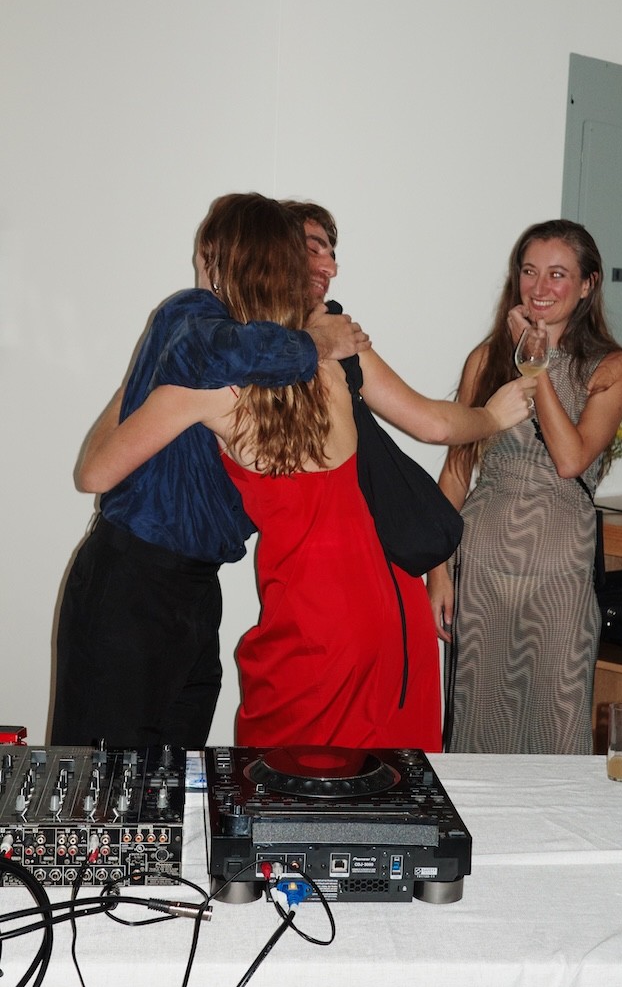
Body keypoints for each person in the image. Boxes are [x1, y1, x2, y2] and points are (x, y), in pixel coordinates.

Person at [81, 192, 537, 752]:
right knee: (385, 782)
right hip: (383, 603)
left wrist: (144, 373)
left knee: (274, 783)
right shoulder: (337, 361)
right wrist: (491, 416)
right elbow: (433, 423)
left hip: (307, 615)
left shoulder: (201, 386)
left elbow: (94, 473)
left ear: (219, 261)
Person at [50, 204, 369, 750]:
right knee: (102, 782)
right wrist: (318, 342)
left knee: (175, 781)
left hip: (195, 591)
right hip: (132, 581)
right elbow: (96, 472)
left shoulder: (259, 352)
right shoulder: (194, 315)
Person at [427, 219, 622, 754]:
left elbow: (571, 460)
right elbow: (456, 472)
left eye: (558, 274)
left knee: (558, 721)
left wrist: (535, 365)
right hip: (483, 560)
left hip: (560, 568)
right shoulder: (485, 360)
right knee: (477, 721)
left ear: (587, 285)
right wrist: (438, 571)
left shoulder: (613, 367)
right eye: (529, 271)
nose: (540, 287)